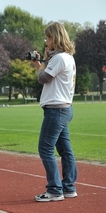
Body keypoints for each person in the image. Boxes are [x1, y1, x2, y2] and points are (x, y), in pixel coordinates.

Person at [32, 22, 78, 202]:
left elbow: (43, 78)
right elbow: (49, 76)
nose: (46, 41)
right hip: (64, 108)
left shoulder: (59, 59)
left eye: (48, 37)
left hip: (55, 111)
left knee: (45, 149)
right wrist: (42, 62)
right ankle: (68, 187)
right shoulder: (67, 57)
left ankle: (54, 190)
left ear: (54, 37)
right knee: (65, 150)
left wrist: (41, 64)